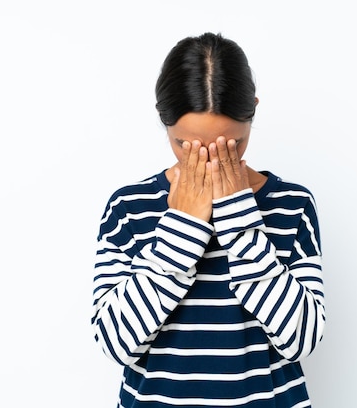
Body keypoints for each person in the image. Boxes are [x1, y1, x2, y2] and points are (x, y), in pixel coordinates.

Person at [91, 32, 325, 408]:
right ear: (163, 121)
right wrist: (181, 227)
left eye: (230, 146)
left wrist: (239, 219)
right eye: (187, 146)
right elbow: (117, 343)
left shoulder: (291, 204)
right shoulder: (128, 207)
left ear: (253, 113)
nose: (210, 162)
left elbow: (301, 340)